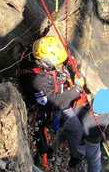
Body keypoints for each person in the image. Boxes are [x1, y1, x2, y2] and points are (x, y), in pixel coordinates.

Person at [17, 36, 85, 165]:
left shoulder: (36, 53)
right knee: (75, 129)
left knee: (72, 128)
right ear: (44, 61)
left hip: (53, 94)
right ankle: (57, 155)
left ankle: (69, 152)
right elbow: (53, 103)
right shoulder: (35, 80)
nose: (59, 66)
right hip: (47, 107)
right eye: (57, 64)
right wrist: (77, 90)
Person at [60, 88, 109, 172]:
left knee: (89, 156)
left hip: (89, 138)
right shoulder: (108, 111)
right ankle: (77, 157)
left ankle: (76, 158)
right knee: (93, 160)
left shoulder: (87, 115)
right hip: (92, 139)